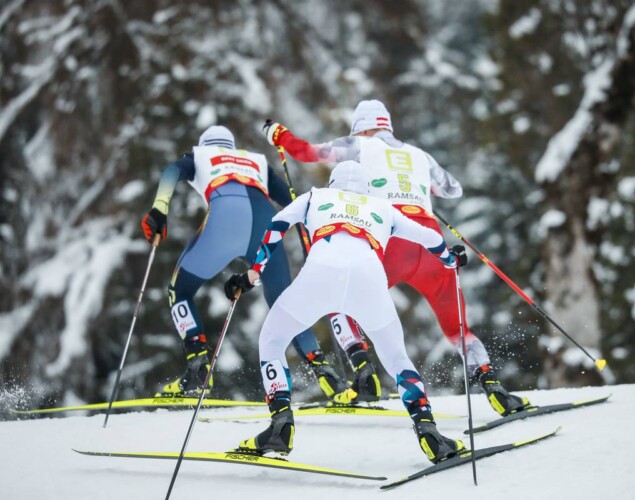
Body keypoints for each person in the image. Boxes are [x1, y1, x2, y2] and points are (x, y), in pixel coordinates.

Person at [260, 100, 532, 416]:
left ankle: (364, 374)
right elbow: (451, 189)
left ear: (360, 127)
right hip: (428, 240)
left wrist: (277, 133)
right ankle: (492, 385)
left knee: (341, 303)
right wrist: (418, 186)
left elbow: (307, 152)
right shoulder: (420, 155)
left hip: (391, 240)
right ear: (387, 125)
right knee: (458, 329)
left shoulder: (358, 144)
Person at [224, 161, 466, 463]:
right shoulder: (383, 207)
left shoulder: (315, 197)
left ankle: (280, 426)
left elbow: (277, 226)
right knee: (397, 359)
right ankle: (429, 432)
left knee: (272, 342)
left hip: (321, 273)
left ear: (333, 183)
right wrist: (449, 260)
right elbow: (430, 238)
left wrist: (251, 274)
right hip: (369, 279)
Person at [140, 125, 345, 399]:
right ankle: (321, 367)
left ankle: (198, 368)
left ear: (205, 143)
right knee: (284, 301)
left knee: (180, 292)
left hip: (224, 218)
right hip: (263, 223)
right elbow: (290, 200)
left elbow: (170, 172)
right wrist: (311, 234)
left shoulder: (199, 155)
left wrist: (159, 208)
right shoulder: (256, 160)